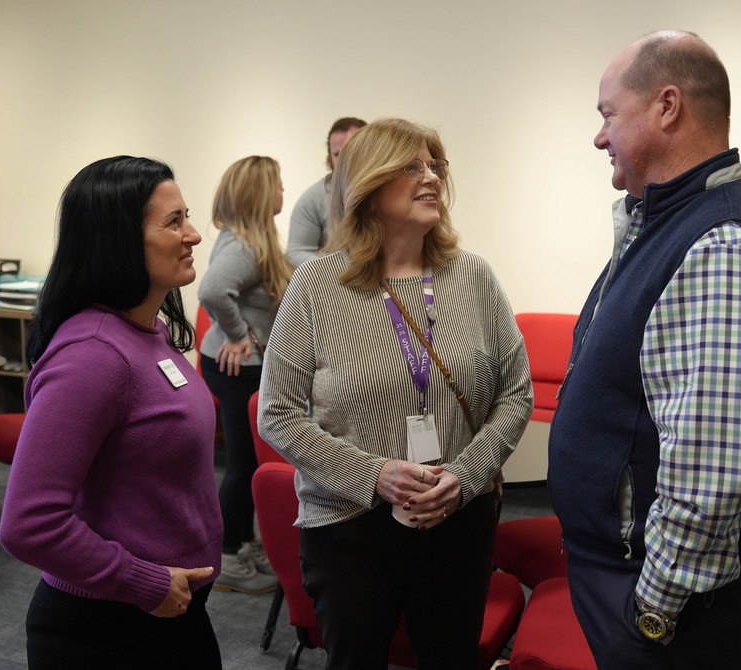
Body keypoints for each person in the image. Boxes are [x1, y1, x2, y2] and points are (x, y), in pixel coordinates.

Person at [547, 31, 741, 669]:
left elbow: (711, 477)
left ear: (667, 107)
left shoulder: (724, 246)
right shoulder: (668, 219)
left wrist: (653, 613)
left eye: (608, 114)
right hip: (629, 581)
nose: (599, 136)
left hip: (669, 612)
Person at [259, 118, 532, 669]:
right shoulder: (314, 287)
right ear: (367, 184)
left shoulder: (473, 277)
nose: (431, 177)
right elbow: (278, 414)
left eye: (435, 165)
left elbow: (516, 393)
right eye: (412, 166)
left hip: (457, 518)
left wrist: (466, 475)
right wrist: (372, 474)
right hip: (348, 528)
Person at [0, 156, 223, 668]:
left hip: (171, 610)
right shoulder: (93, 356)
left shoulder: (149, 333)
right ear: (118, 241)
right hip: (108, 625)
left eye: (187, 216)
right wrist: (142, 582)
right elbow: (27, 523)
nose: (193, 235)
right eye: (173, 222)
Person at [198, 156, 295, 594]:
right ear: (260, 194)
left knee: (250, 461)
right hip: (236, 365)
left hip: (239, 364)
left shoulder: (248, 239)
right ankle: (224, 555)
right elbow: (213, 290)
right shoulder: (243, 245)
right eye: (277, 185)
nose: (282, 192)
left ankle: (243, 540)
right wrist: (240, 334)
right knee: (243, 465)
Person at [286, 116, 366, 266]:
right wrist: (336, 269)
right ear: (330, 157)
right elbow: (296, 252)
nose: (344, 160)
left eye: (352, 151)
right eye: (337, 154)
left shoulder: (391, 190)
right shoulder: (313, 198)